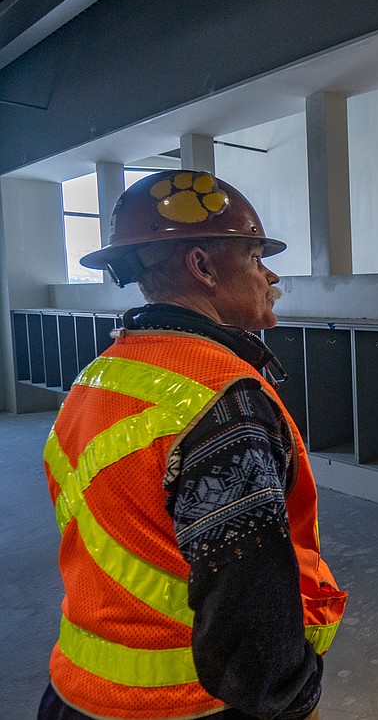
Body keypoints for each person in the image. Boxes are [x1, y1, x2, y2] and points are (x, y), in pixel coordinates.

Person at [39, 170, 347, 720]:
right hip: (185, 702)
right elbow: (250, 612)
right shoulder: (221, 403)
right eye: (255, 258)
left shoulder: (101, 379)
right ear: (202, 267)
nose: (270, 276)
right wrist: (291, 704)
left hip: (76, 688)